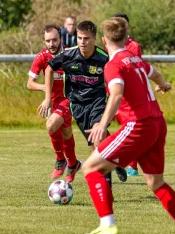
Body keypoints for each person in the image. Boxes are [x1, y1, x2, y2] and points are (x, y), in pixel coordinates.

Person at [79, 17, 175, 234]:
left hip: (138, 125)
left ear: (104, 41)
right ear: (126, 38)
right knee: (155, 183)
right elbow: (154, 73)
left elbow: (116, 93)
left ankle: (107, 225)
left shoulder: (113, 65)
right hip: (157, 123)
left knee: (90, 167)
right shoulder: (135, 58)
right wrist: (163, 85)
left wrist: (102, 125)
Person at [38, 20, 128, 184]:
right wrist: (47, 98)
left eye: (86, 38)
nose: (82, 42)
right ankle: (116, 160)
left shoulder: (104, 58)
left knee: (97, 138)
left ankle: (105, 185)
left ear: (94, 38)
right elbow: (49, 69)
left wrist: (117, 105)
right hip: (77, 105)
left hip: (98, 102)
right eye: (79, 38)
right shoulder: (69, 55)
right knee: (95, 146)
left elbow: (117, 80)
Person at [27, 25, 80, 182]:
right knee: (66, 133)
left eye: (55, 40)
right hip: (53, 100)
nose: (52, 44)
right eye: (48, 41)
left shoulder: (70, 54)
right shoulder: (42, 56)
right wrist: (46, 90)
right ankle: (73, 163)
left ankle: (60, 160)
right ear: (44, 42)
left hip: (69, 98)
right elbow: (30, 83)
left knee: (51, 125)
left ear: (61, 40)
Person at [113, 13, 142, 178]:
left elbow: (134, 71)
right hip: (116, 93)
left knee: (130, 129)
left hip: (128, 94)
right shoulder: (111, 45)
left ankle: (132, 166)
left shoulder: (133, 46)